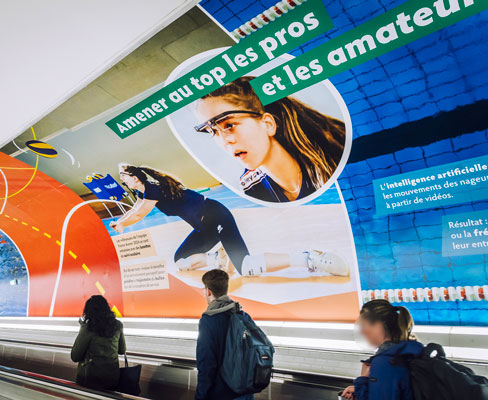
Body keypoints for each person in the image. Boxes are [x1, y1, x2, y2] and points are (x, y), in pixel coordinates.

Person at [113, 163, 349, 277]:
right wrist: (121, 219)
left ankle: (310, 258)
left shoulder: (152, 190)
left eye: (124, 176)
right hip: (205, 226)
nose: (123, 180)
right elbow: (136, 207)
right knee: (180, 260)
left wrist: (122, 224)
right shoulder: (147, 191)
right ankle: (218, 257)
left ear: (134, 177)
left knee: (246, 267)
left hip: (216, 216)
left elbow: (140, 212)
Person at [194, 76, 345, 203]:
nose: (225, 140)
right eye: (212, 131)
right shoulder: (252, 186)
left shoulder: (334, 158)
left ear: (268, 124)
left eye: (230, 125)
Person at [341, 299, 423, 400]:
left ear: (378, 326)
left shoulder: (385, 362)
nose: (362, 331)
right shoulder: (408, 352)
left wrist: (362, 379)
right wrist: (360, 389)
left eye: (363, 325)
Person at [196, 269, 253, 400]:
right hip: (245, 393)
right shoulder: (243, 316)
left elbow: (206, 366)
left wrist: (200, 396)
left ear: (208, 291)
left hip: (221, 394)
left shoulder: (208, 320)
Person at [71, 295, 126, 390]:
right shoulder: (117, 325)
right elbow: (122, 350)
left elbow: (75, 356)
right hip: (111, 379)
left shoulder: (88, 327)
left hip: (90, 380)